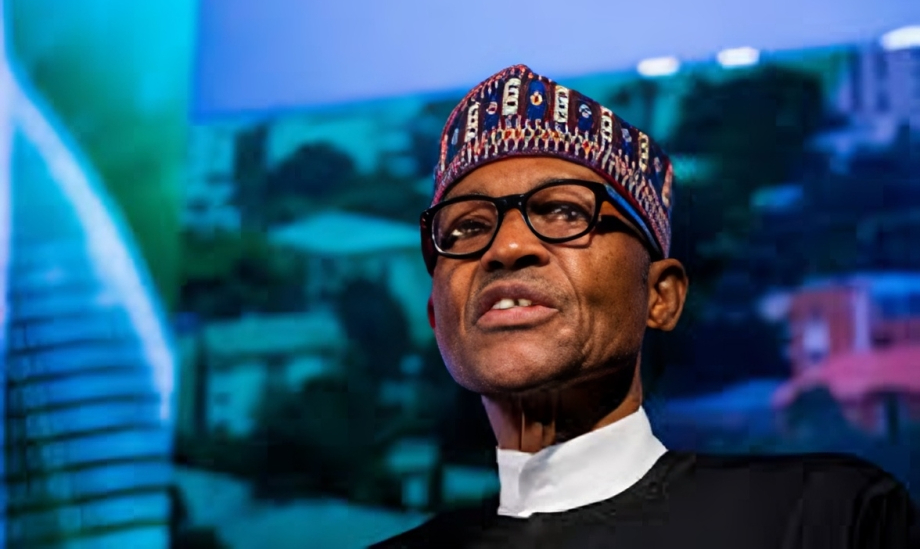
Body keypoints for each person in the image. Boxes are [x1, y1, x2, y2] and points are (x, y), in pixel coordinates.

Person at [371, 64, 919, 548]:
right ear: (438, 319)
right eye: (466, 228)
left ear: (661, 296)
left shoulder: (822, 518)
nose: (507, 247)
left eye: (564, 212)